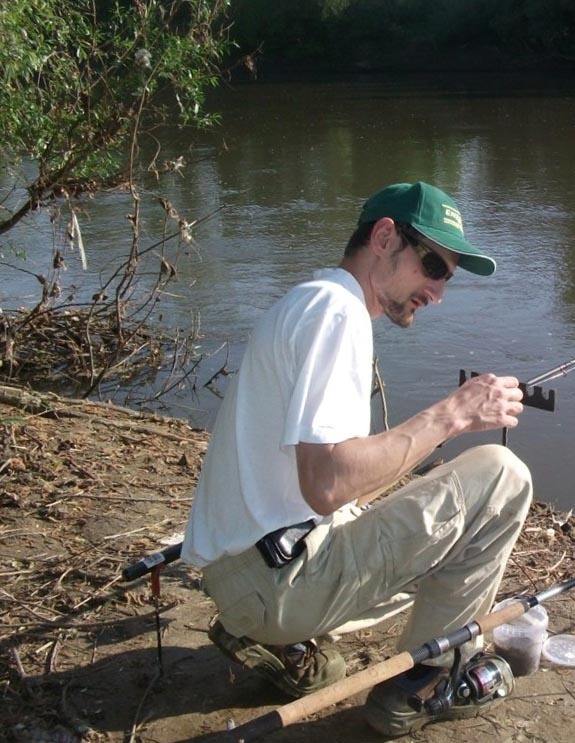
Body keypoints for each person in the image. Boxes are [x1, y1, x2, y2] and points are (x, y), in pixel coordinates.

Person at [181, 181, 533, 736]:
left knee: (441, 519)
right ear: (386, 236)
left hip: (245, 577)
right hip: (274, 585)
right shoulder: (336, 313)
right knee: (503, 478)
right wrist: (452, 416)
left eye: (447, 277)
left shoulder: (311, 299)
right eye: (434, 267)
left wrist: (431, 449)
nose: (438, 292)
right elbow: (328, 483)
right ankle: (424, 684)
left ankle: (273, 638)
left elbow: (328, 484)